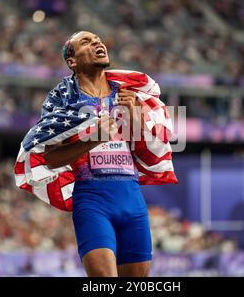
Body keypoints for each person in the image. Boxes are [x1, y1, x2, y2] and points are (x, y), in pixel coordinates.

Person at [15, 30, 177, 277]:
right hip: (92, 201)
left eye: (98, 40)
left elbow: (144, 147)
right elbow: (49, 158)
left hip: (132, 199)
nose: (97, 43)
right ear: (72, 61)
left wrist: (135, 115)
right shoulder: (64, 100)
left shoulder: (129, 93)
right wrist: (93, 139)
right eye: (86, 42)